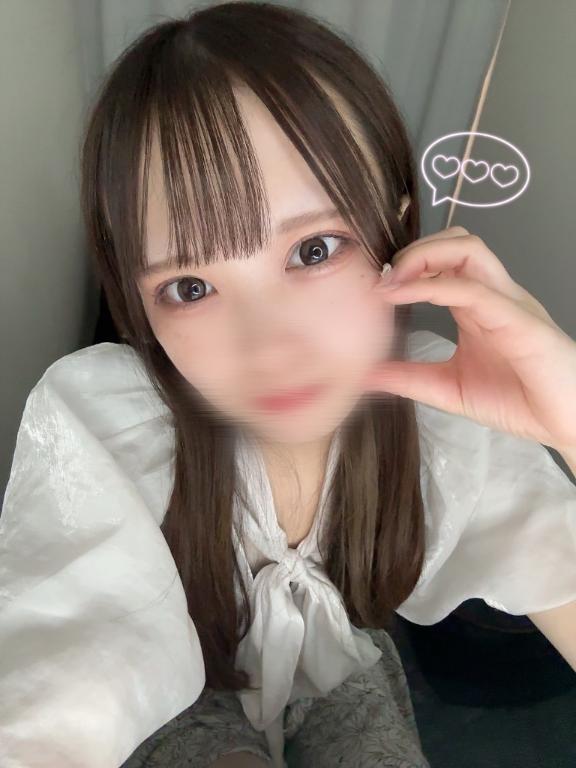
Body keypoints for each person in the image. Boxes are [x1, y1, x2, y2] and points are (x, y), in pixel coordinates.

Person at [1, 3, 576, 767]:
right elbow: (63, 690)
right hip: (178, 692)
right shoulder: (107, 420)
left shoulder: (437, 406)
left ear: (396, 229)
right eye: (190, 288)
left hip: (342, 660)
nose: (267, 347)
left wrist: (570, 418)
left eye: (314, 249)